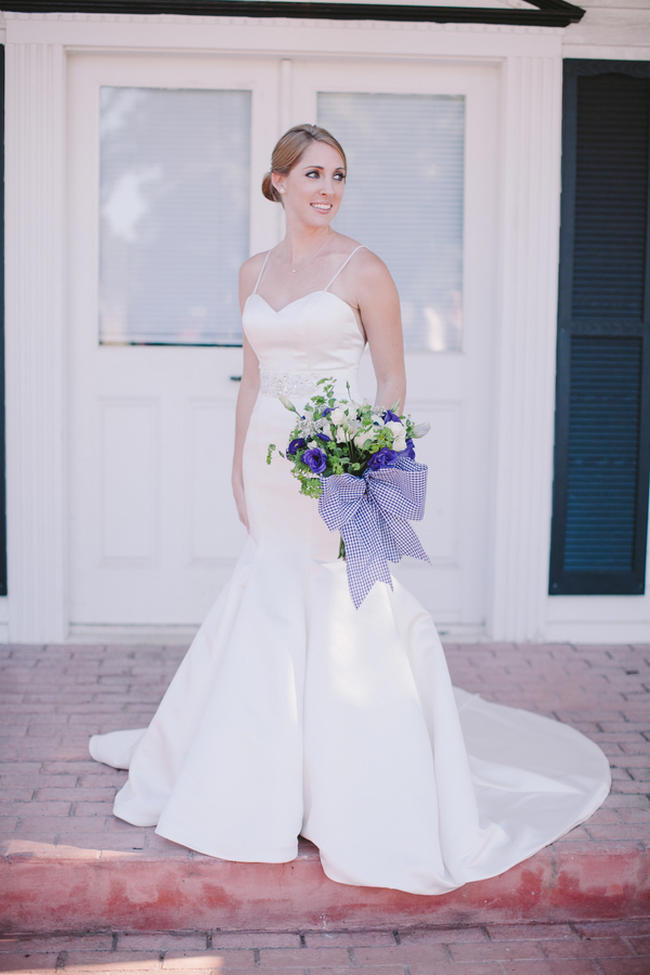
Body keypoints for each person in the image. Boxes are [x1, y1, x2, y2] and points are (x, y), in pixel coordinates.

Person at [90, 123, 610, 895]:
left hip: (333, 470)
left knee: (339, 608)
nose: (327, 189)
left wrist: (363, 452)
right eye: (312, 175)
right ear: (279, 183)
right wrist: (237, 468)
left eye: (337, 176)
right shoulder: (251, 272)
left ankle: (347, 786)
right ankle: (262, 779)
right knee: (268, 604)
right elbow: (254, 377)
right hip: (271, 467)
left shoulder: (365, 269)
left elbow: (393, 379)